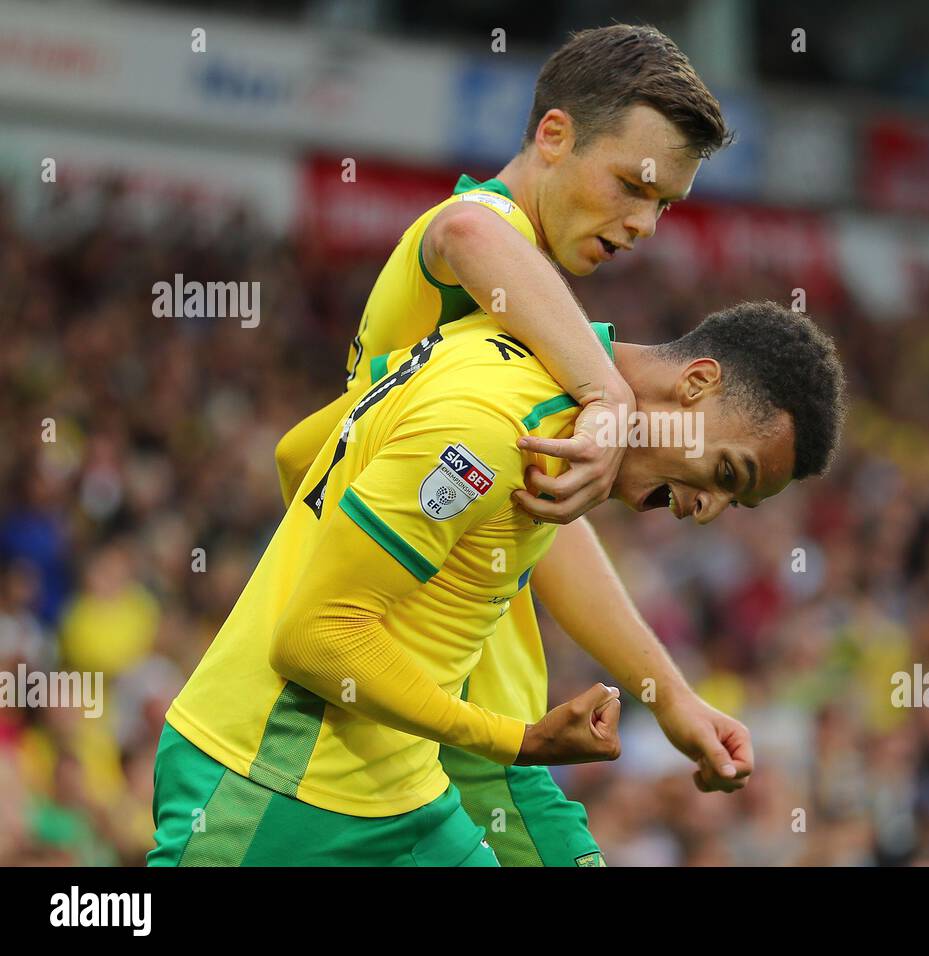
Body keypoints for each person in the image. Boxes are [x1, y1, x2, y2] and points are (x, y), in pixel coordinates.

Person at [274, 24, 759, 865]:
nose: (644, 224)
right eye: (633, 185)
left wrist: (671, 697)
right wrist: (606, 395)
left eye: (665, 204)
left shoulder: (532, 310)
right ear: (554, 134)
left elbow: (303, 457)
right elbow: (461, 233)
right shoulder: (489, 245)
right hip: (454, 739)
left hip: (449, 735)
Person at [148, 301, 846, 866]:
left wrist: (668, 696)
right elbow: (315, 636)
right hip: (271, 779)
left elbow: (303, 451)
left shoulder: (541, 392)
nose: (705, 511)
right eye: (725, 475)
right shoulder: (492, 417)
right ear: (696, 384)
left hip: (404, 790)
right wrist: (516, 741)